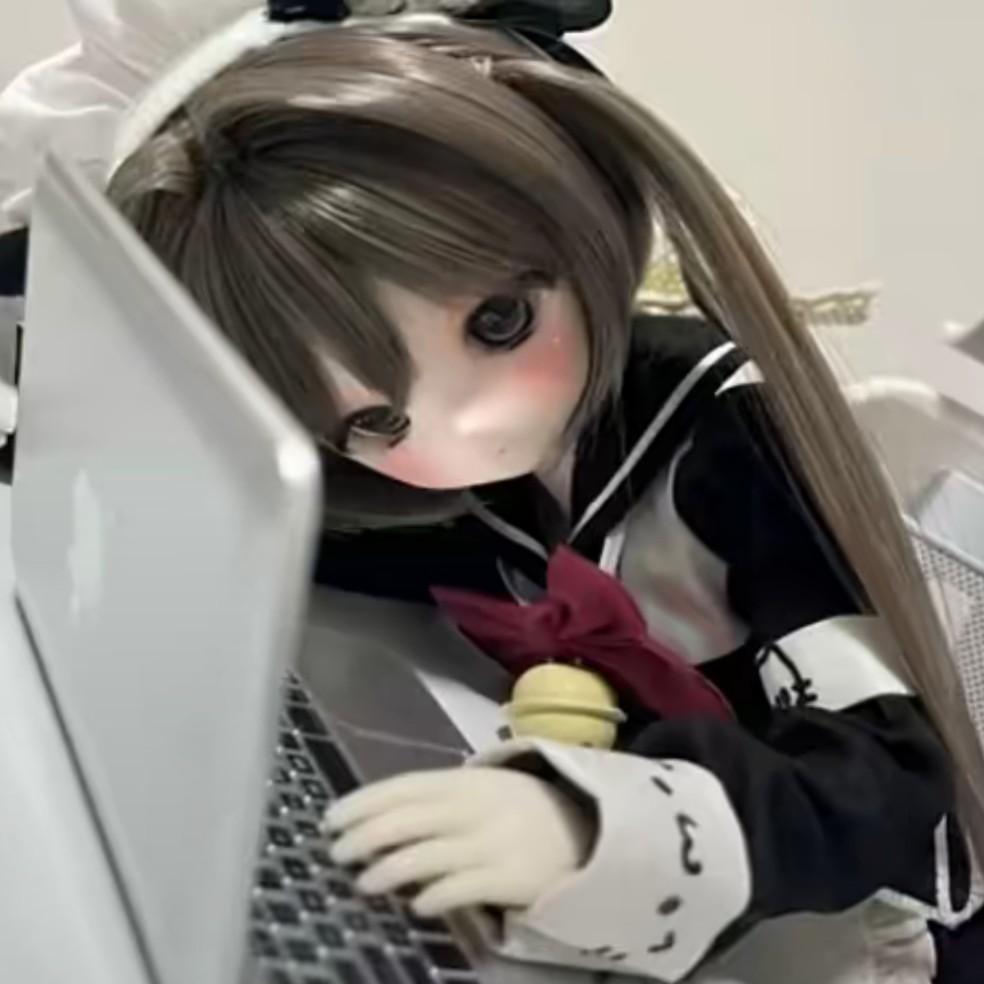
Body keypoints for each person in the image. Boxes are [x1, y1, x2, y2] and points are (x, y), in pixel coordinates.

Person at [2, 3, 983, 982]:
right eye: (374, 420)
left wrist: (587, 821)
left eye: (500, 322)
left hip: (836, 937)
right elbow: (315, 534)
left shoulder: (727, 437)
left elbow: (892, 781)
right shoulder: (478, 485)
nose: (466, 427)